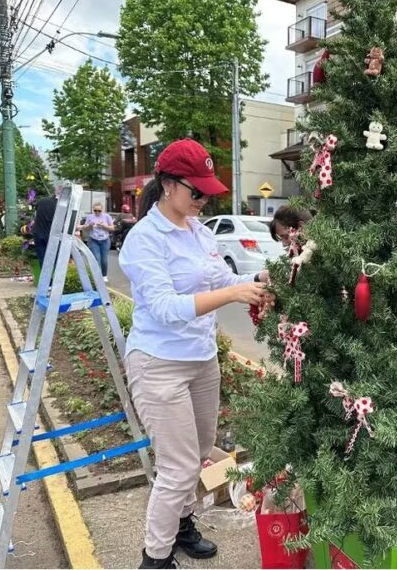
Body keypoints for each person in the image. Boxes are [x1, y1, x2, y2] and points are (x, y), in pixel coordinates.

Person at [119, 138, 272, 569]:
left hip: (201, 359)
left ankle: (183, 524)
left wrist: (264, 279)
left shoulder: (200, 232)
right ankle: (156, 556)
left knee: (202, 449)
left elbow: (225, 279)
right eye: (196, 191)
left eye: (208, 193)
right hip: (159, 362)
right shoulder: (145, 239)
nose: (203, 199)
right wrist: (233, 294)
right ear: (168, 184)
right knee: (178, 466)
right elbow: (165, 308)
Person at [77, 202, 114, 282]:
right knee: (96, 259)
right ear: (93, 210)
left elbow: (112, 228)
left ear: (102, 210)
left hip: (105, 240)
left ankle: (104, 275)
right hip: (93, 240)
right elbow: (85, 228)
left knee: (104, 259)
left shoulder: (107, 216)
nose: (97, 212)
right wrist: (89, 225)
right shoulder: (90, 217)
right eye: (95, 210)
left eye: (99, 211)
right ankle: (97, 277)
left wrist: (103, 226)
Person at [32, 188, 60, 267]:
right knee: (54, 257)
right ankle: (53, 274)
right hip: (51, 234)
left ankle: (43, 274)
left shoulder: (42, 201)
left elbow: (35, 216)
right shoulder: (60, 205)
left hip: (38, 232)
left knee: (41, 257)